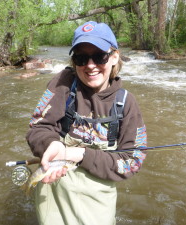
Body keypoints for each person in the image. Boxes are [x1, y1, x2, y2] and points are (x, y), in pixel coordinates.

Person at [26, 21, 147, 225]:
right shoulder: (63, 83)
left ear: (114, 57)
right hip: (54, 193)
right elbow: (38, 127)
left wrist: (81, 154)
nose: (90, 65)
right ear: (74, 62)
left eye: (100, 56)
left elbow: (133, 160)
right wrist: (50, 144)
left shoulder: (127, 103)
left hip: (98, 201)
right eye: (81, 58)